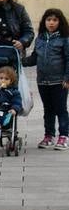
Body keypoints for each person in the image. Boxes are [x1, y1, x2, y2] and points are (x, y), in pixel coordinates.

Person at [22, 8, 69, 150]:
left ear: (60, 22)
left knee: (61, 109)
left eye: (55, 20)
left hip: (59, 81)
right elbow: (35, 58)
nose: (51, 23)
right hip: (42, 81)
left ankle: (63, 136)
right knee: (48, 109)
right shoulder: (40, 38)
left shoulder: (64, 39)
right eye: (49, 20)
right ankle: (49, 135)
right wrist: (20, 61)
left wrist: (67, 78)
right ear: (44, 22)